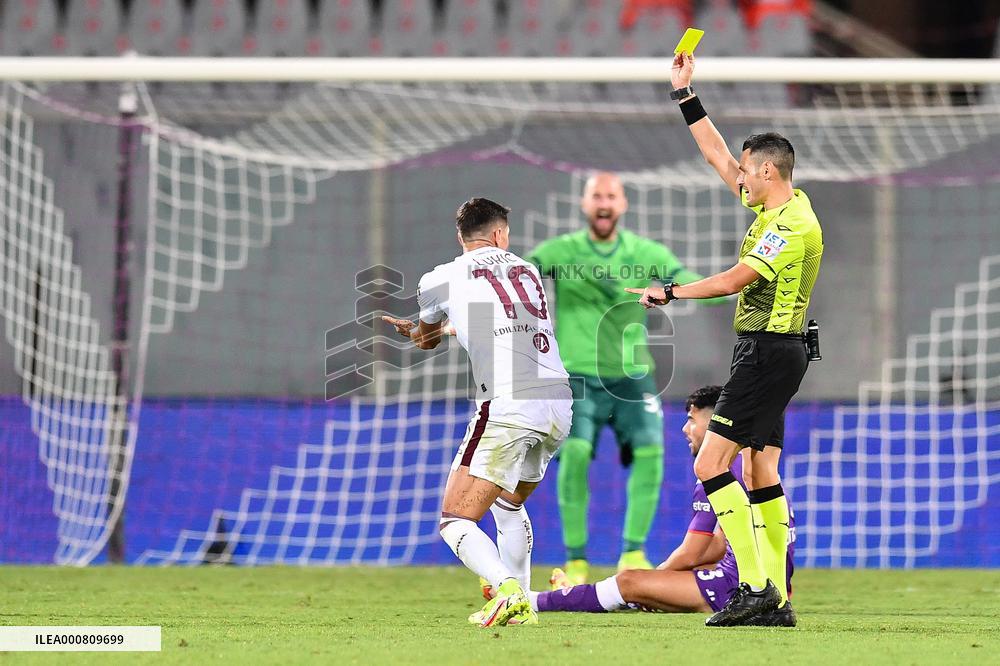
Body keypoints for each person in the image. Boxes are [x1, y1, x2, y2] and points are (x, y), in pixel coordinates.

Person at [625, 53, 824, 627]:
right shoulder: (779, 202)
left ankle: (757, 586)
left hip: (767, 351)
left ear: (768, 172)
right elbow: (716, 154)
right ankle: (775, 600)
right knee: (761, 469)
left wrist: (672, 293)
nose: (738, 173)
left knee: (711, 463)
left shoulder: (792, 226)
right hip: (776, 351)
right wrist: (686, 95)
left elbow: (737, 280)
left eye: (748, 169)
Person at [528, 171, 726, 584]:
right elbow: (518, 278)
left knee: (652, 453)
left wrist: (726, 285)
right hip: (579, 375)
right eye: (596, 196)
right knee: (577, 454)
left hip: (633, 377)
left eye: (611, 196)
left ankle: (633, 552)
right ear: (584, 205)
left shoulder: (645, 252)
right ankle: (577, 560)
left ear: (623, 205)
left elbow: (687, 279)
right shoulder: (559, 251)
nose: (604, 203)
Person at [383, 197, 573, 628]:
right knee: (507, 504)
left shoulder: (440, 278)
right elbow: (500, 317)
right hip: (558, 399)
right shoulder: (527, 270)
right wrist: (448, 328)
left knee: (454, 520)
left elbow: (426, 339)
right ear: (500, 234)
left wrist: (419, 331)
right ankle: (523, 603)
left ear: (461, 236)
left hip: (508, 402)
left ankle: (506, 589)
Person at [524, 385, 796, 626]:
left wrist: (652, 580)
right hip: (777, 582)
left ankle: (532, 600)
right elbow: (719, 544)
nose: (684, 429)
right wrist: (658, 586)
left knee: (629, 581)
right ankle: (576, 596)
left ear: (715, 422)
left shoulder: (717, 469)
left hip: (737, 585)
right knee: (645, 586)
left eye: (691, 420)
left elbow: (693, 551)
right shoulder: (753, 466)